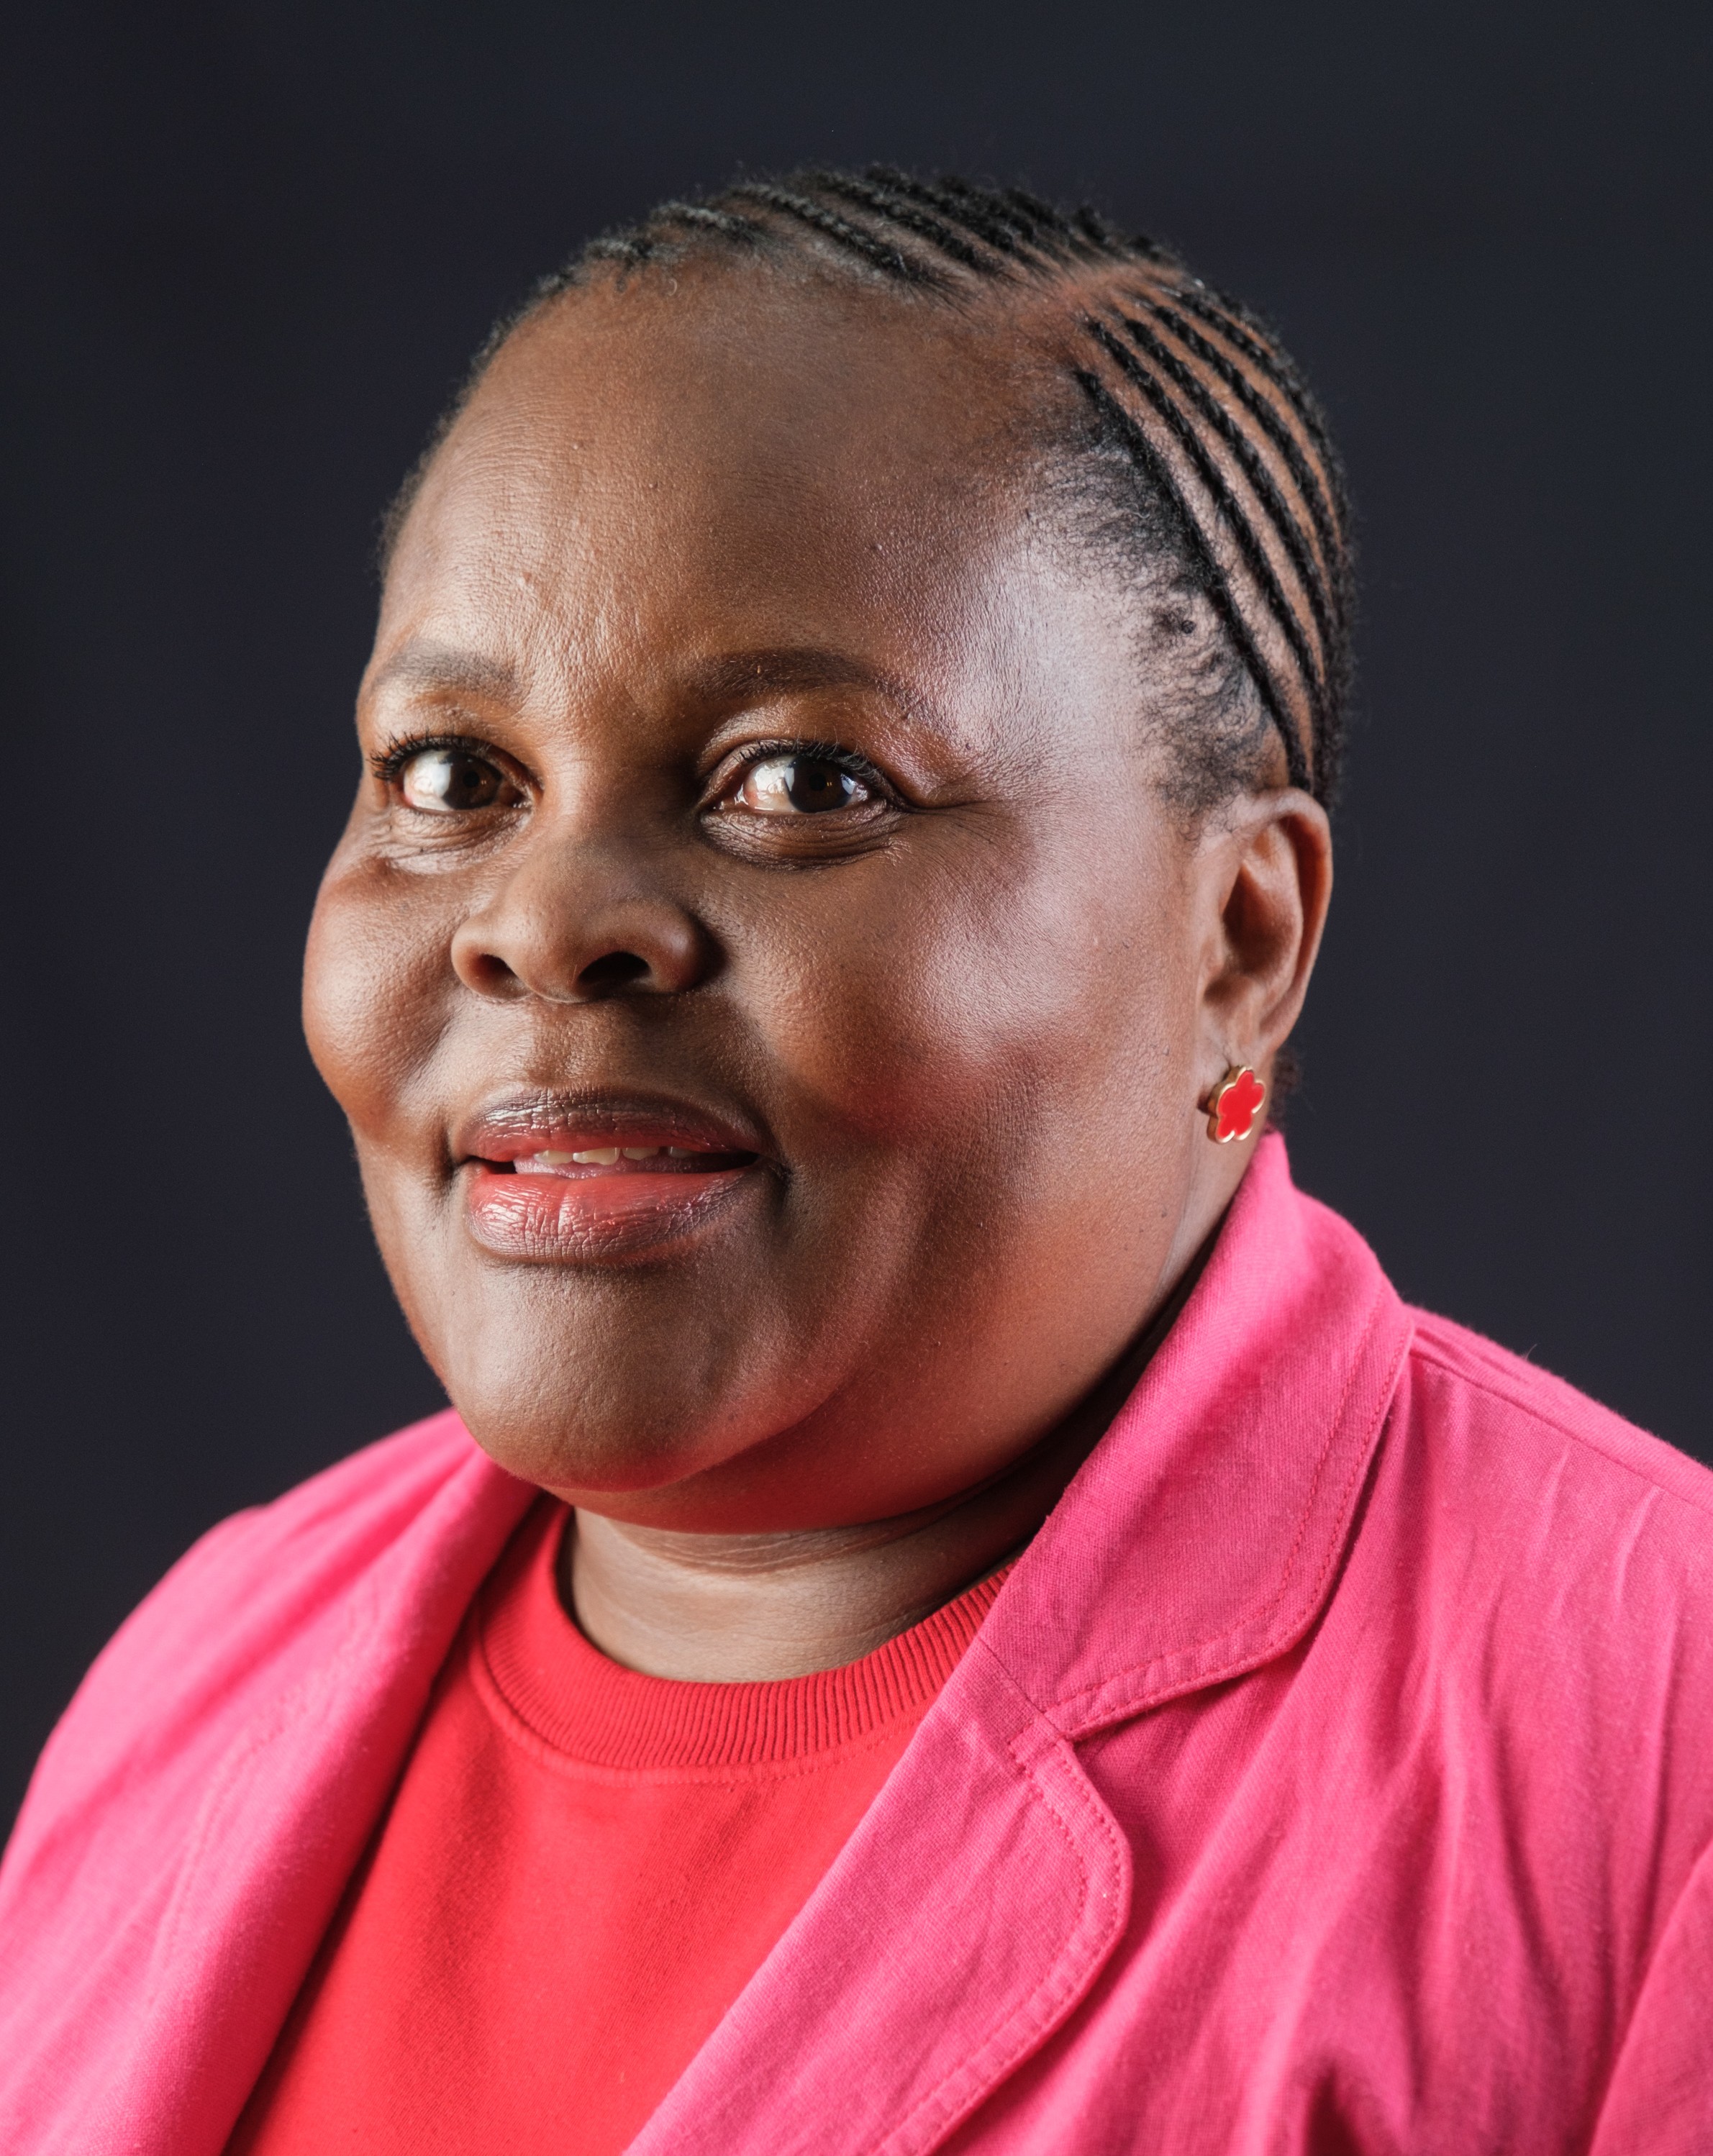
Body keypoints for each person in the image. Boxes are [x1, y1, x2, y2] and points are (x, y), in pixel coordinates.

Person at [2, 167, 1709, 2156]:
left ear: (1237, 942)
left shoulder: (1655, 1750)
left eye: (804, 783)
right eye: (453, 777)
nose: (543, 922)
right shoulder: (209, 1667)